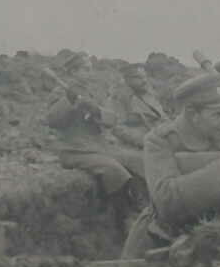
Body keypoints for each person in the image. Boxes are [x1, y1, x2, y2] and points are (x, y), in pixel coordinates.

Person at [121, 73, 220, 259]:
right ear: (192, 114)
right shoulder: (160, 140)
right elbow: (166, 201)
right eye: (218, 114)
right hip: (164, 240)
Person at [44, 51, 145, 231]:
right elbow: (53, 121)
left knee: (138, 162)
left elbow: (112, 120)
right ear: (73, 72)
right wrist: (69, 101)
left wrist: (97, 111)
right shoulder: (61, 93)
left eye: (90, 68)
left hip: (99, 146)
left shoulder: (92, 92)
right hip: (74, 149)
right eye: (85, 69)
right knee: (115, 171)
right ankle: (124, 219)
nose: (90, 73)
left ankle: (144, 210)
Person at [110, 63, 169, 149]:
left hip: (158, 139)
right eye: (138, 77)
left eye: (145, 77)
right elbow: (117, 128)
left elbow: (163, 118)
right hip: (132, 146)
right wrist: (145, 140)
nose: (144, 80)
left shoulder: (149, 95)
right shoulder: (119, 98)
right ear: (127, 79)